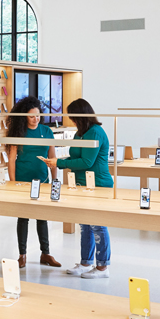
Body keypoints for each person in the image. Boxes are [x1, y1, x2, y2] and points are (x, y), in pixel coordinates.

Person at [41, 99, 113, 279]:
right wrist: (58, 161)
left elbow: (87, 162)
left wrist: (60, 162)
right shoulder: (80, 133)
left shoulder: (96, 132)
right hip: (81, 184)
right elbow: (75, 156)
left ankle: (103, 267)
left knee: (97, 225)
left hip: (98, 185)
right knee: (85, 225)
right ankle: (85, 263)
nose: (72, 121)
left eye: (73, 118)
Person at [7, 96, 61, 269]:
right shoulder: (19, 132)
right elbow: (11, 160)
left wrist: (55, 180)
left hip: (42, 180)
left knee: (42, 217)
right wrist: (13, 182)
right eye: (31, 116)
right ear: (24, 117)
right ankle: (22, 255)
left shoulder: (47, 131)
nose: (35, 119)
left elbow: (52, 158)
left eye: (38, 116)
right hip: (23, 181)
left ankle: (45, 253)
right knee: (23, 218)